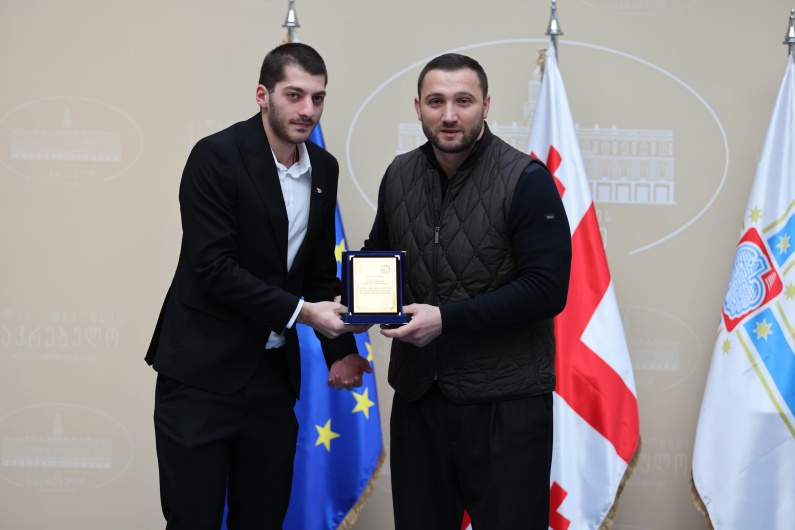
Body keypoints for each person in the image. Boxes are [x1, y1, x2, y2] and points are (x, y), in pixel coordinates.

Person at [145, 42, 371, 530]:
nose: (308, 109)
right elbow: (213, 268)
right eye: (295, 95)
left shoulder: (323, 168)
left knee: (264, 520)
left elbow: (317, 272)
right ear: (262, 95)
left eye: (318, 98)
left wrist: (342, 352)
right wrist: (305, 313)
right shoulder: (215, 156)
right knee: (193, 521)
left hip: (272, 379)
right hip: (200, 375)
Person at [362, 53, 572, 530]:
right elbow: (379, 259)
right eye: (436, 101)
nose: (449, 115)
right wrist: (354, 309)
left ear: (486, 106)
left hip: (507, 405)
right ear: (418, 107)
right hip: (419, 399)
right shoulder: (399, 174)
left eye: (463, 101)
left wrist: (445, 319)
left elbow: (546, 290)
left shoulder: (526, 180)